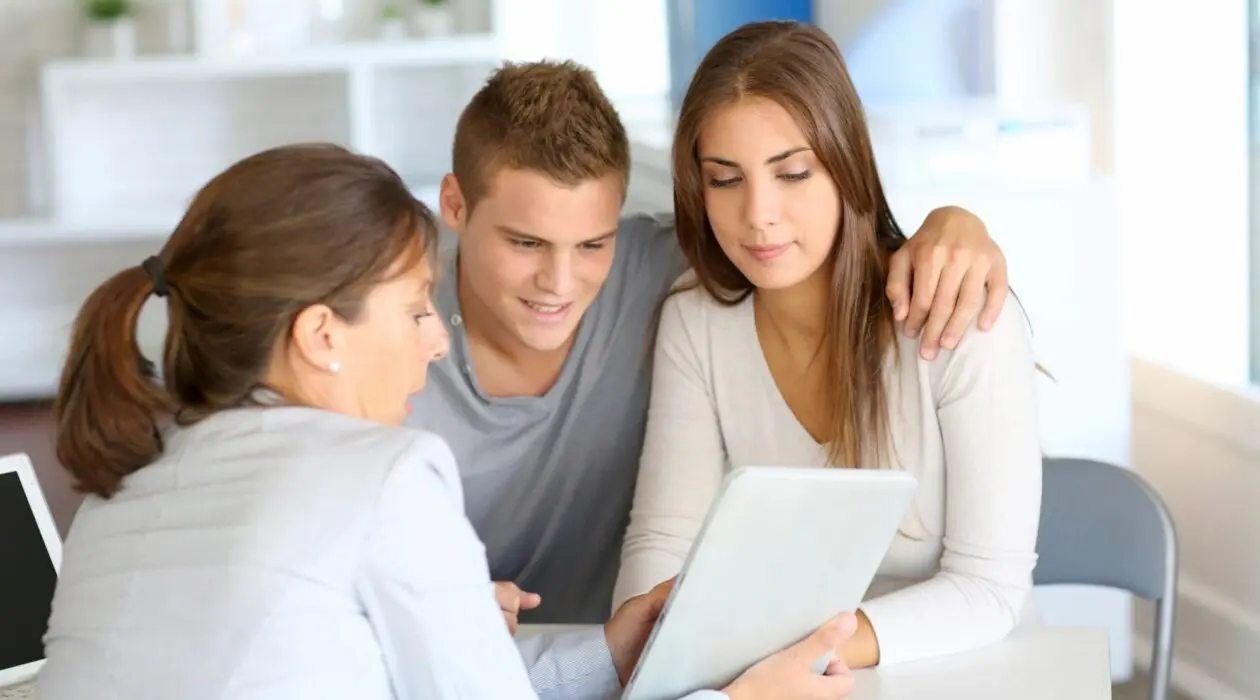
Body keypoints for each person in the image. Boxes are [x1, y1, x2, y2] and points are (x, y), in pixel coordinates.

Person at [34, 144, 858, 700]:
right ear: (321, 335)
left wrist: (605, 655)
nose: (436, 343)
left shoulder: (120, 492)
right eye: (417, 309)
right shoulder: (381, 475)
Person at [411, 58, 1014, 628]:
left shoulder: (674, 270)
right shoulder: (380, 320)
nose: (561, 283)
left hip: (607, 660)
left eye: (593, 243)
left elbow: (799, 236)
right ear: (455, 206)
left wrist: (955, 222)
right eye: (525, 243)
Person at [611, 20, 1043, 670]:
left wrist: (804, 655)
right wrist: (650, 656)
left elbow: (989, 589)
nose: (758, 214)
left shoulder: (961, 320)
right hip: (769, 674)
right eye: (725, 180)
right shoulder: (695, 322)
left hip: (954, 669)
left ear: (847, 166)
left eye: (792, 173)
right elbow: (664, 541)